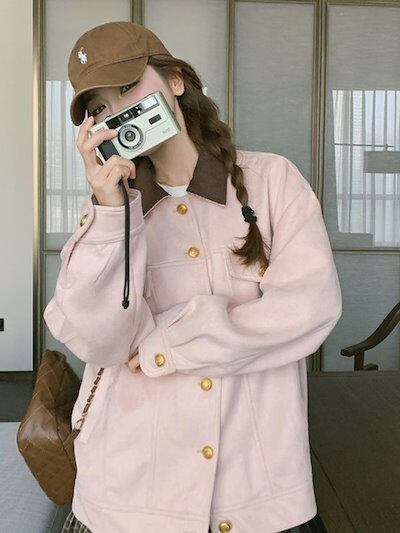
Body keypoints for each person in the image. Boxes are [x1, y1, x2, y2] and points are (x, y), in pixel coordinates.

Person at [44, 21, 342, 533]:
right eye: (99, 108)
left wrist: (168, 345)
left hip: (252, 489)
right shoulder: (112, 213)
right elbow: (98, 341)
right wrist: (110, 211)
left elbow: (310, 307)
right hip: (130, 488)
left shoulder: (272, 181)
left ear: (176, 81)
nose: (117, 112)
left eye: (128, 88)